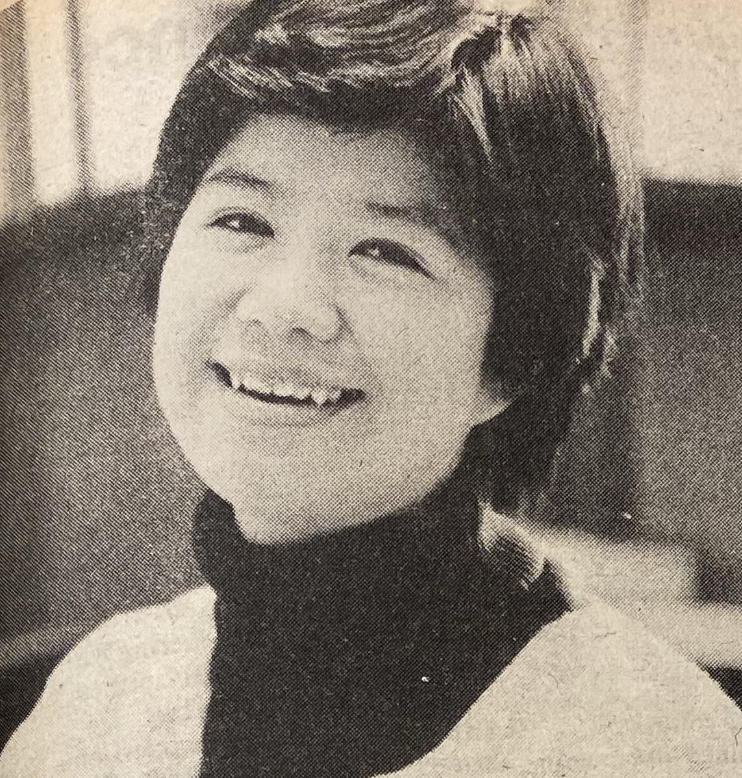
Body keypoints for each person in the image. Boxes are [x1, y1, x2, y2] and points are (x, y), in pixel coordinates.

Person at [1, 1, 740, 776]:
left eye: (386, 250)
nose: (286, 310)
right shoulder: (95, 701)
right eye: (243, 221)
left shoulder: (654, 743)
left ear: (513, 359)